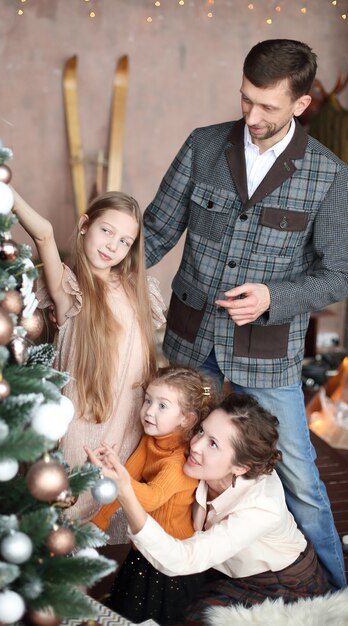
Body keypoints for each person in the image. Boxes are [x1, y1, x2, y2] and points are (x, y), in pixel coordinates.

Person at [142, 38, 348, 590]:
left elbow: (339, 273)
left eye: (268, 107)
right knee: (176, 463)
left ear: (301, 105)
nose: (251, 116)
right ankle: (168, 588)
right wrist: (88, 271)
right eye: (246, 100)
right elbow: (155, 231)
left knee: (302, 479)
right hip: (188, 340)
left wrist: (273, 298)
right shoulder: (202, 145)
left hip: (269, 350)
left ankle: (336, 594)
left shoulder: (328, 175)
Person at [87, 393, 331, 624]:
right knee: (150, 574)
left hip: (278, 583)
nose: (195, 446)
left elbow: (182, 559)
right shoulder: (203, 464)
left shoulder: (261, 508)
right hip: (221, 565)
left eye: (213, 444)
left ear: (241, 467)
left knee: (193, 616)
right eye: (201, 431)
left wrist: (125, 491)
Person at [12, 189, 166, 542]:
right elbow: (44, 233)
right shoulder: (70, 287)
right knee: (65, 516)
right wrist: (10, 195)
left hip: (126, 426)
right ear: (85, 225)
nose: (113, 246)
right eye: (106, 231)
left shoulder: (138, 290)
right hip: (80, 424)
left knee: (109, 516)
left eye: (125, 241)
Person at [90, 365, 217, 624]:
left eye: (162, 405)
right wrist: (96, 524)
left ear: (187, 419)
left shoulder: (178, 462)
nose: (149, 410)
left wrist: (118, 477)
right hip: (145, 545)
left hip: (171, 558)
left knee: (156, 615)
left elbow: (149, 498)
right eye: (148, 400)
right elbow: (128, 478)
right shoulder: (151, 441)